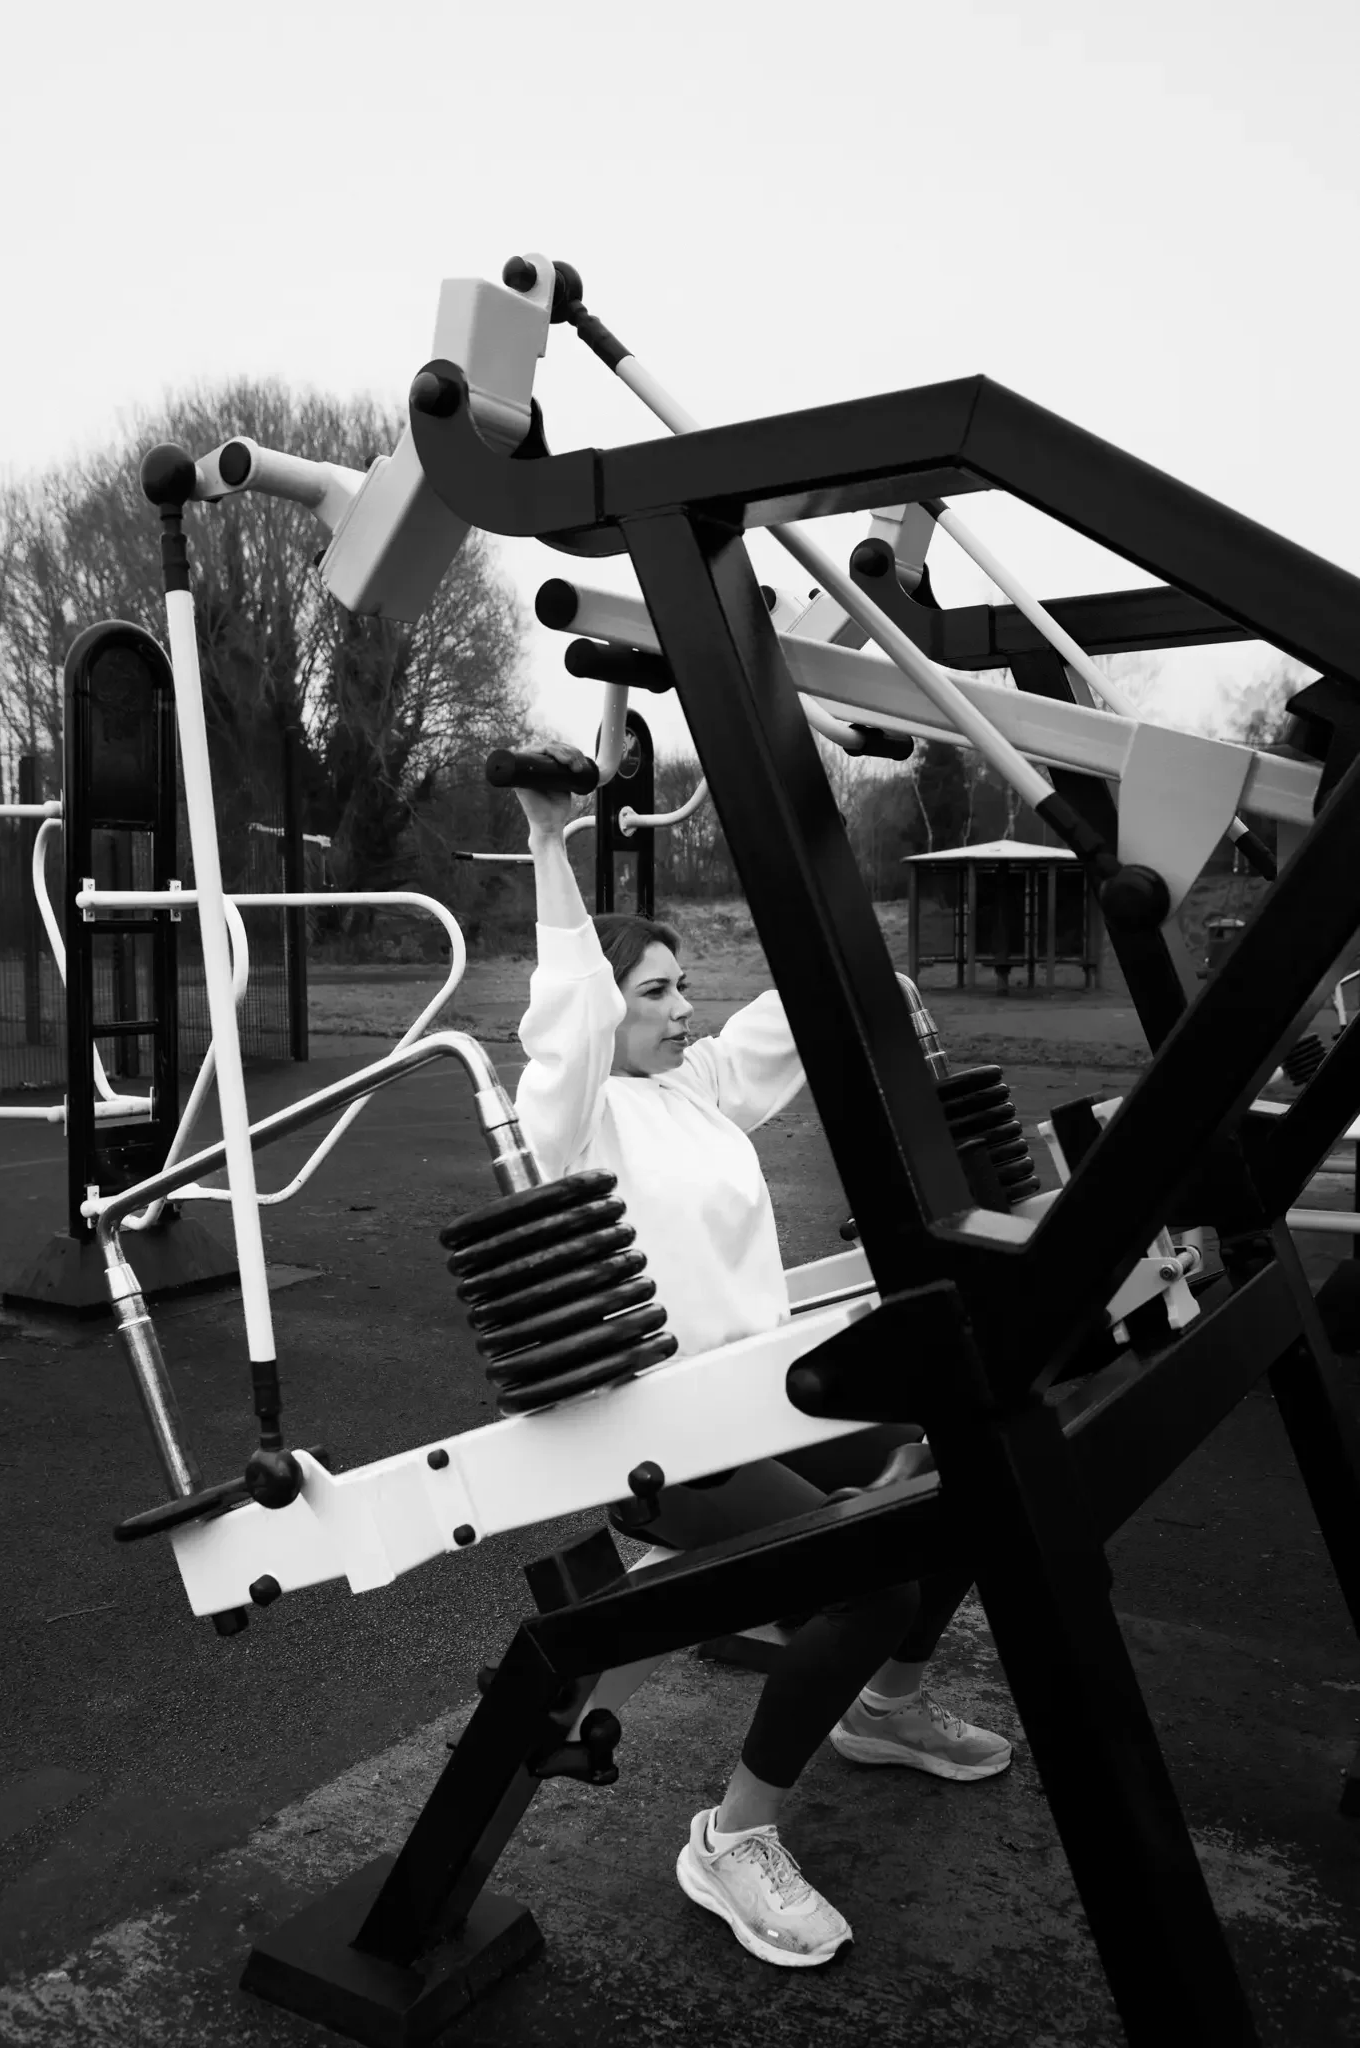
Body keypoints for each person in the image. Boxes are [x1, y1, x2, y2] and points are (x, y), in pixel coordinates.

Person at [512, 750, 1011, 1970]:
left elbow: (776, 1014)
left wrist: (836, 888)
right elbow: (569, 1012)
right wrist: (545, 843)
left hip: (759, 1408)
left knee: (968, 1457)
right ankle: (733, 1836)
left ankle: (882, 1706)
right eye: (656, 990)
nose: (682, 1007)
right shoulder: (573, 1117)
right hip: (667, 1444)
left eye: (683, 985)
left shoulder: (693, 1090)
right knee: (866, 1577)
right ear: (606, 1007)